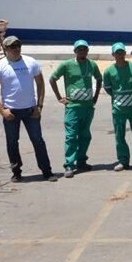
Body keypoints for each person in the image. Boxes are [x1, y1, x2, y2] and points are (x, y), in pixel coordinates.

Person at [0, 36, 57, 182]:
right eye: (13, 46)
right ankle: (16, 172)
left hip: (31, 110)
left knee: (38, 140)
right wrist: (2, 110)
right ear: (5, 49)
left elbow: (40, 83)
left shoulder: (31, 62)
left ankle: (47, 171)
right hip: (11, 111)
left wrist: (39, 106)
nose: (16, 48)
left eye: (18, 45)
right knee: (12, 142)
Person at [49, 39, 103, 177]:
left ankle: (81, 161)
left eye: (84, 49)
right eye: (79, 49)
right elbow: (52, 79)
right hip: (73, 107)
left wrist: (95, 96)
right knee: (71, 136)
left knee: (85, 136)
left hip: (87, 107)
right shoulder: (67, 65)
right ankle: (69, 165)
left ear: (88, 51)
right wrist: (59, 97)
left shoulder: (92, 64)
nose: (82, 51)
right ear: (75, 51)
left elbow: (99, 78)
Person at [102, 42, 132, 172]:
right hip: (118, 110)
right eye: (117, 53)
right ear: (113, 54)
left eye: (122, 52)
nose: (120, 55)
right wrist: (119, 99)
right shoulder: (109, 71)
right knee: (119, 136)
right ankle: (123, 160)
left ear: (125, 53)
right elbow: (108, 88)